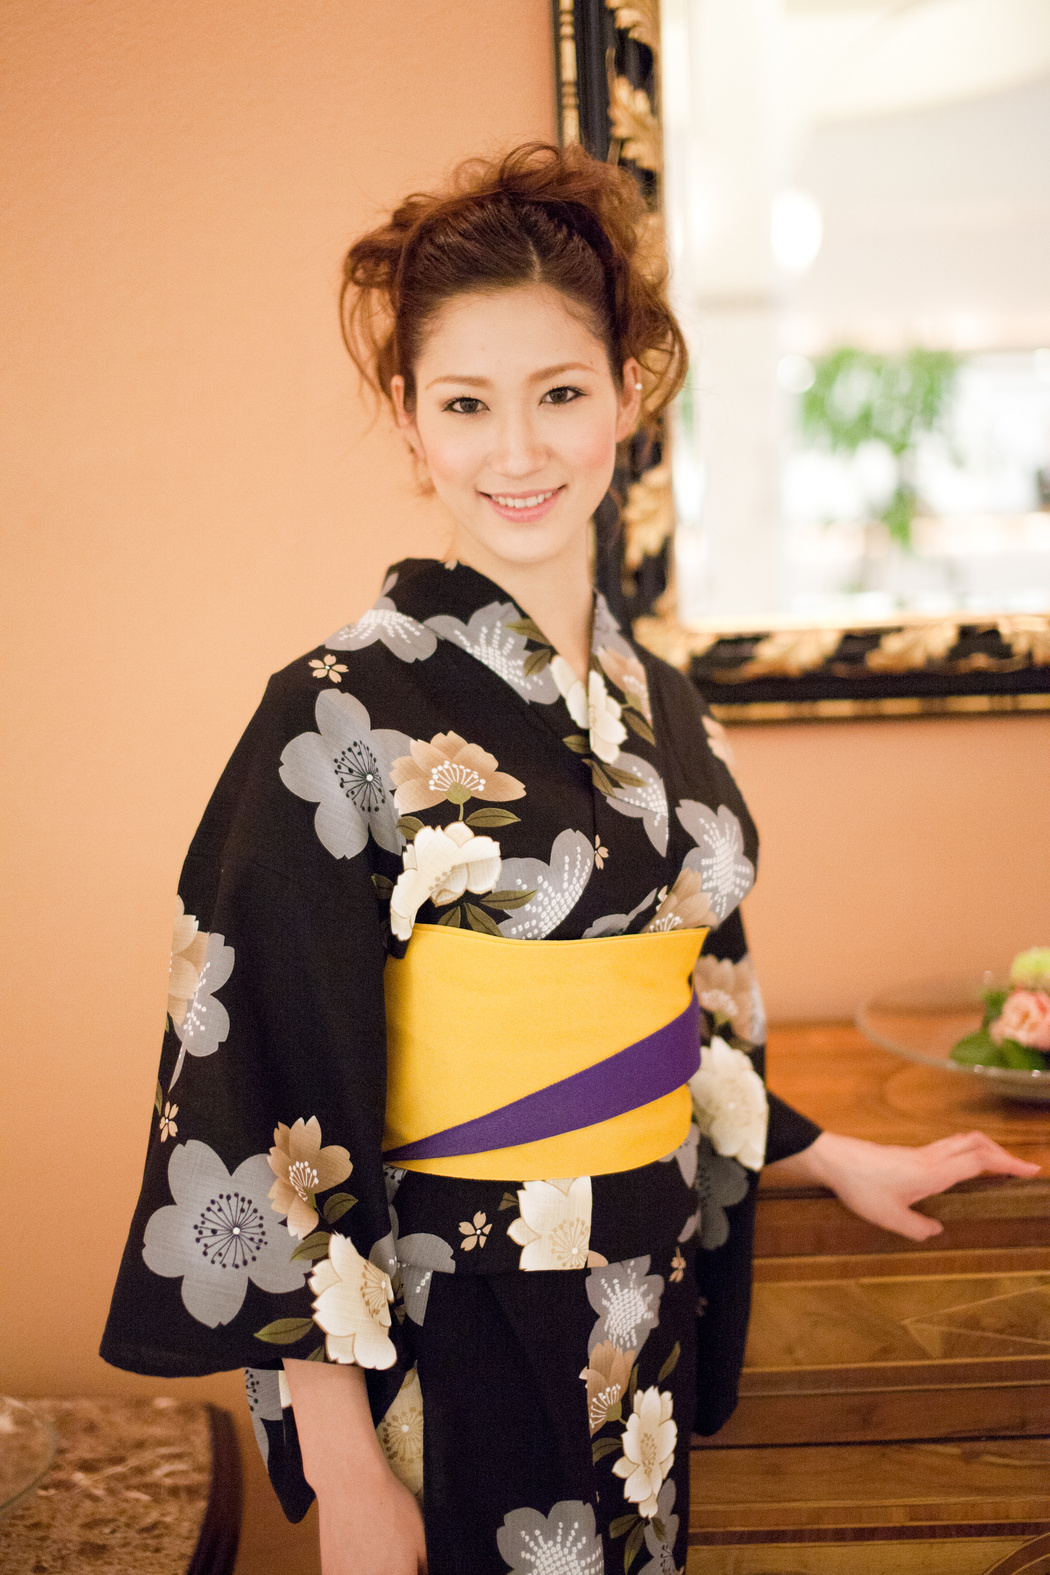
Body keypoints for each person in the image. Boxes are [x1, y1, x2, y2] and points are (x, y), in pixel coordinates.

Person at [101, 142, 1037, 1575]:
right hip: (454, 1314)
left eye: (559, 394)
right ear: (409, 420)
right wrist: (345, 1469)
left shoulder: (664, 704)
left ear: (629, 394)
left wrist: (824, 1152)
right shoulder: (334, 711)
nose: (518, 452)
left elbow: (676, 1016)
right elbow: (263, 1085)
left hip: (639, 1297)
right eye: (465, 404)